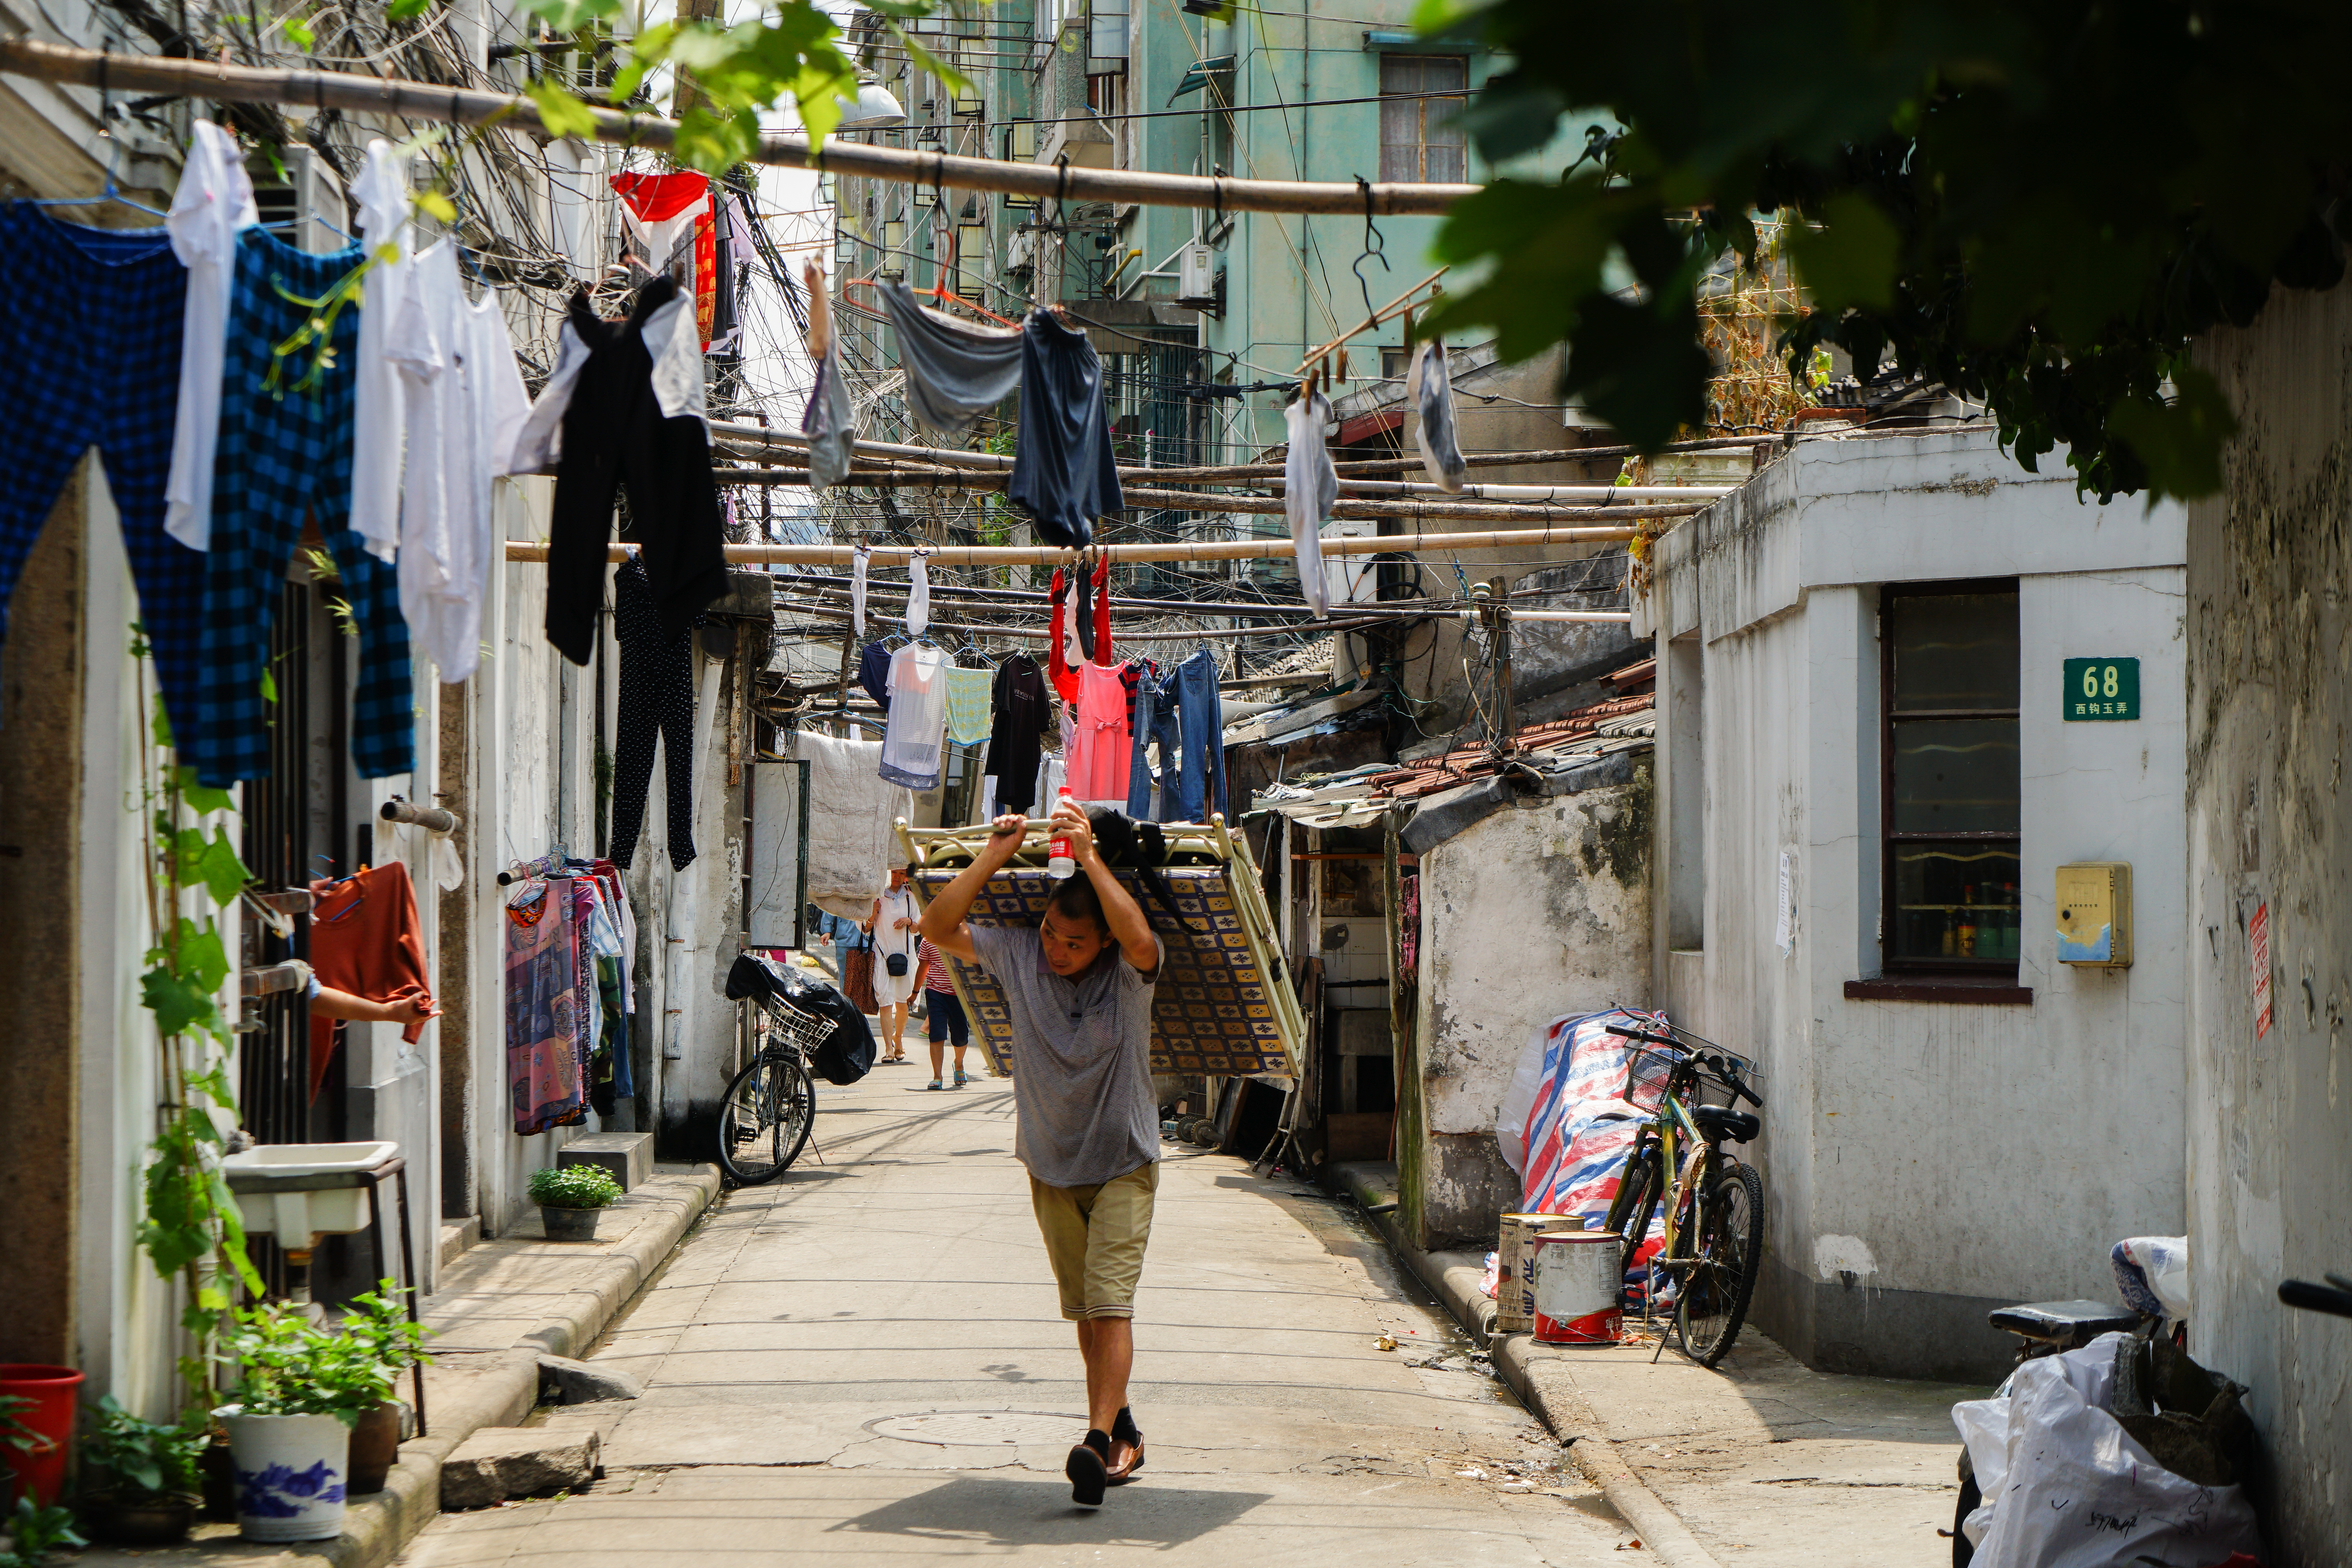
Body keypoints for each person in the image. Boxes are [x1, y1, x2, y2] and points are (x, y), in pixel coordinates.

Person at [918, 797, 1162, 1507]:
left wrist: (1089, 856)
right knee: (1086, 1312)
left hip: (1123, 1157)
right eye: (1053, 934)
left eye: (1074, 942)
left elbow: (1141, 940)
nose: (1057, 949)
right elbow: (938, 928)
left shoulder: (1130, 975)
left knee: (1111, 1305)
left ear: (1103, 946)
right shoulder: (1021, 956)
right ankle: (1120, 1428)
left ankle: (1092, 1442)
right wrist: (993, 855)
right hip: (1050, 1164)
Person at [867, 866, 921, 1063]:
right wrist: (873, 913)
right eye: (894, 873)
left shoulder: (910, 898)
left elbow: (918, 927)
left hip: (906, 958)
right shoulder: (877, 897)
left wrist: (908, 921)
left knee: (902, 1004)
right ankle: (889, 1049)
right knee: (885, 1004)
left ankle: (898, 1039)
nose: (897, 877)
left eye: (901, 873)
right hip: (882, 956)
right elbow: (865, 928)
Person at [914, 936, 970, 1090]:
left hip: (959, 994)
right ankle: (937, 1077)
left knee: (961, 1036)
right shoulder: (928, 940)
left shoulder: (964, 936)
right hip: (935, 992)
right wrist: (915, 992)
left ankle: (958, 1064)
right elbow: (923, 967)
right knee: (937, 1035)